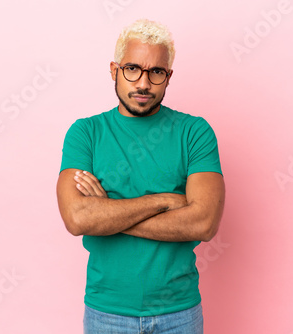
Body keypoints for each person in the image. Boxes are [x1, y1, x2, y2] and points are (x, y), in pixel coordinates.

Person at [56, 18, 225, 334]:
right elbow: (78, 219)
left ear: (168, 76)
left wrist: (108, 215)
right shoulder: (86, 133)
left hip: (180, 313)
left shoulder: (194, 132)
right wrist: (164, 201)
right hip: (107, 314)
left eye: (156, 72)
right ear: (114, 70)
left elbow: (203, 223)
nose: (143, 83)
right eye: (132, 69)